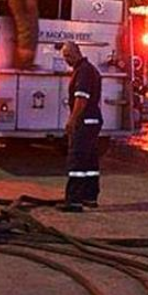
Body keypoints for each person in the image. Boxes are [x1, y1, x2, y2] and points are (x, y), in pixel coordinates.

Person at [58, 41, 103, 212]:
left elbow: (81, 98)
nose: (66, 60)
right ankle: (89, 197)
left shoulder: (83, 72)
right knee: (90, 161)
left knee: (77, 160)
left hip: (84, 121)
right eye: (64, 57)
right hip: (93, 121)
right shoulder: (88, 69)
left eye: (68, 56)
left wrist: (72, 120)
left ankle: (74, 201)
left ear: (77, 52)